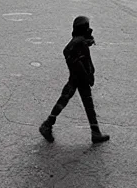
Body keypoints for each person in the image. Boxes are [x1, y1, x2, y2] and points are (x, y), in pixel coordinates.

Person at [39, 16, 110, 144]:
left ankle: (95, 132)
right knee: (75, 102)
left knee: (80, 103)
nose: (90, 29)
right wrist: (86, 74)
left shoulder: (80, 42)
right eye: (87, 27)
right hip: (79, 78)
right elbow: (74, 56)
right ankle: (48, 124)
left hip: (79, 77)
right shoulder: (78, 43)